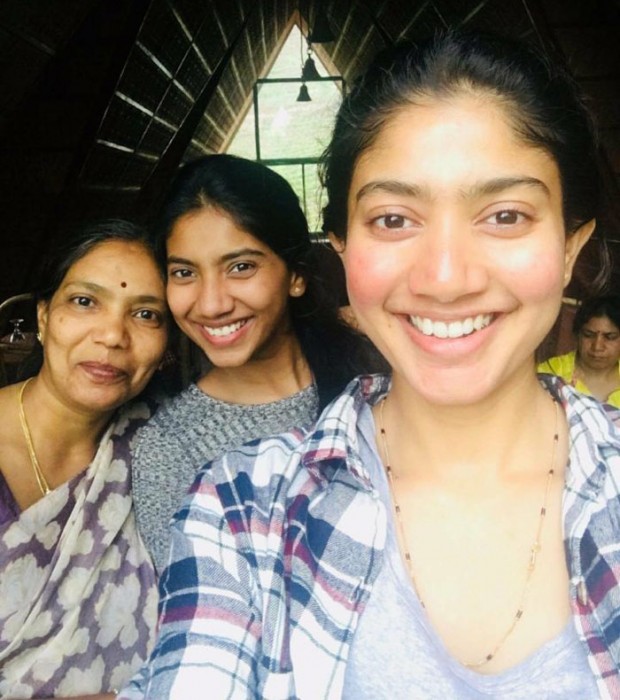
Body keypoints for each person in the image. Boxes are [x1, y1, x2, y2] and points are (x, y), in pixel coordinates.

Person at [119, 29, 620, 700]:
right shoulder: (243, 510)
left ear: (569, 247)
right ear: (342, 250)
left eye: (504, 215)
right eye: (392, 219)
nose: (445, 277)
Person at [130, 153, 382, 573]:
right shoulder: (171, 450)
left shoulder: (371, 377)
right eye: (185, 273)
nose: (212, 304)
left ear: (295, 276)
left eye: (241, 267)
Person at [0, 219, 168, 698]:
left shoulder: (163, 450)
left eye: (146, 315)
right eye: (84, 301)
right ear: (42, 316)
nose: (113, 335)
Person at [538, 295, 620, 407]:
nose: (597, 347)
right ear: (577, 335)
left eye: (610, 337)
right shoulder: (550, 373)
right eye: (588, 335)